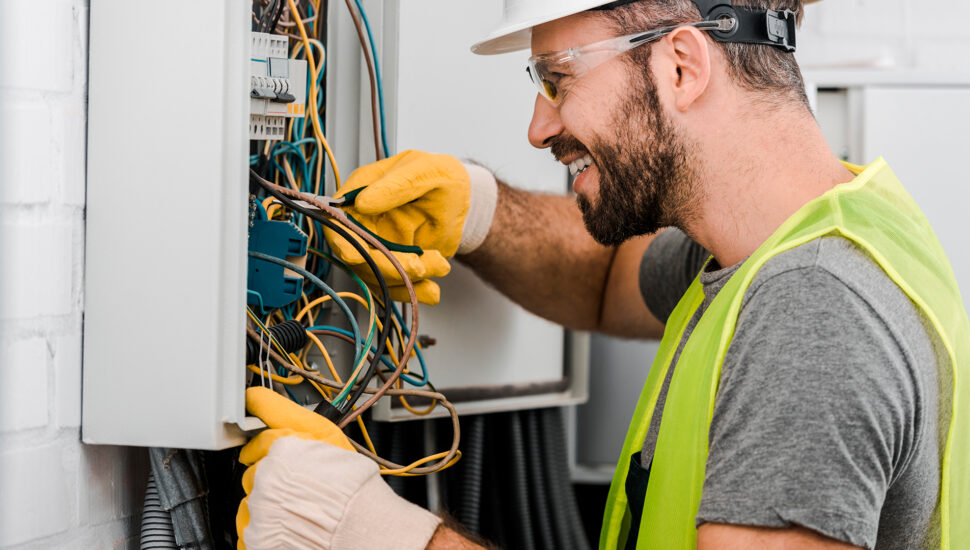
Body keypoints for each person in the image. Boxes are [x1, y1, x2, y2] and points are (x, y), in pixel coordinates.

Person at [236, 0, 970, 548]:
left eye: (559, 79)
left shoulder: (813, 313)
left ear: (682, 65)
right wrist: (479, 211)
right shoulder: (804, 236)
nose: (538, 127)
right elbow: (601, 280)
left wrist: (374, 531)